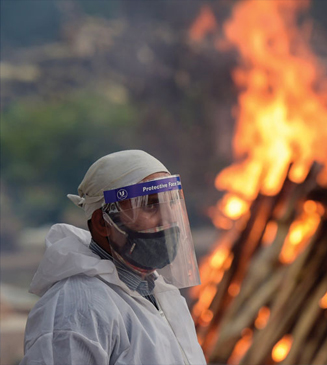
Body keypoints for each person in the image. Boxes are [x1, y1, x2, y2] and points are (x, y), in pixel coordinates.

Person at [21, 150, 206, 365]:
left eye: (171, 203)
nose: (169, 218)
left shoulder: (160, 293)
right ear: (102, 223)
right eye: (150, 204)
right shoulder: (77, 308)